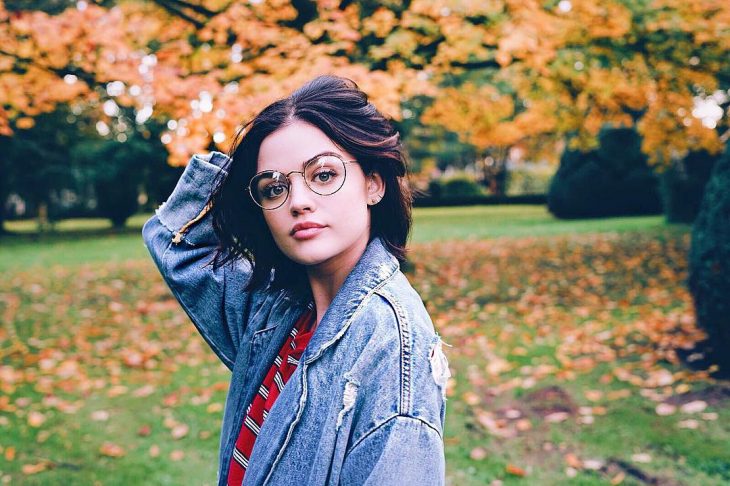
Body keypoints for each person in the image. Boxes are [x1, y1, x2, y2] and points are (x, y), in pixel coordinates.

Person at [142, 75, 451, 486]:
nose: (298, 201)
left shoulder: (390, 345)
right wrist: (240, 173)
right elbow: (175, 242)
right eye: (274, 188)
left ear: (373, 184)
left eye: (323, 175)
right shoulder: (275, 312)